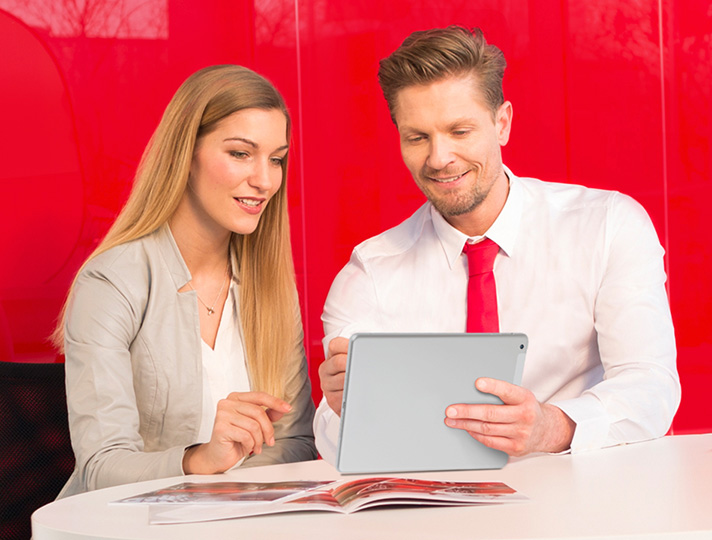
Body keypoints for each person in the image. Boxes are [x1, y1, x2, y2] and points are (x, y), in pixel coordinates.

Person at [314, 26, 680, 463]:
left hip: (584, 502)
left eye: (460, 131)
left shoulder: (607, 226)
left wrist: (552, 426)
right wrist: (345, 412)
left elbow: (650, 385)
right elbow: (334, 445)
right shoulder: (370, 273)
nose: (439, 157)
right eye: (417, 137)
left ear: (502, 123)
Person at [53, 65, 316, 497]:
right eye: (239, 153)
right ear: (186, 154)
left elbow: (296, 444)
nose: (265, 180)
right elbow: (100, 467)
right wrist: (201, 459)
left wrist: (229, 496)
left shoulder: (270, 287)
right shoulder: (111, 282)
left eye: (276, 159)